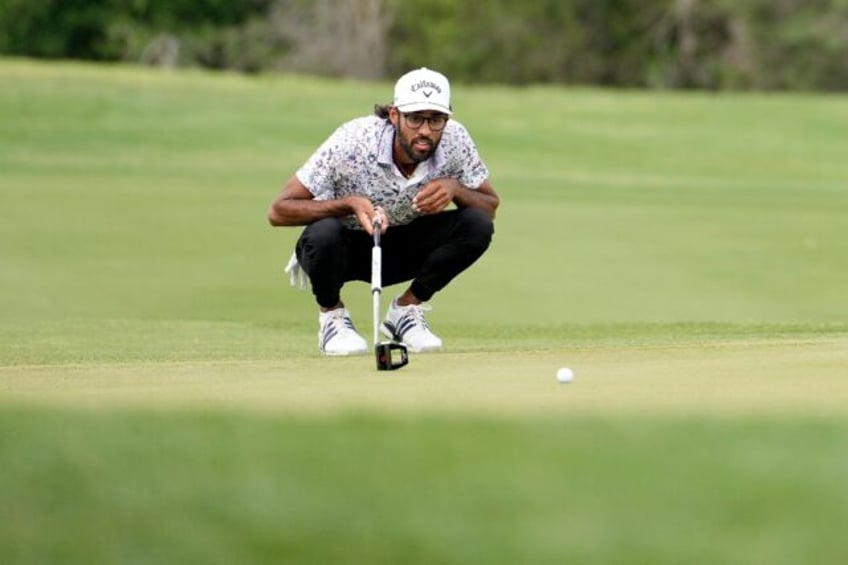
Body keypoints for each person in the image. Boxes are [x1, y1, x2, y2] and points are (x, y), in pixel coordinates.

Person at [267, 67, 499, 356]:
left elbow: (489, 207)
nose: (425, 130)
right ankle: (333, 317)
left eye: (436, 119)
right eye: (415, 118)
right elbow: (279, 210)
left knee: (476, 224)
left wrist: (456, 189)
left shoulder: (456, 140)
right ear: (394, 115)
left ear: (447, 119)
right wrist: (349, 203)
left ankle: (405, 311)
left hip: (405, 246)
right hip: (342, 249)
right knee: (325, 233)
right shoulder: (353, 140)